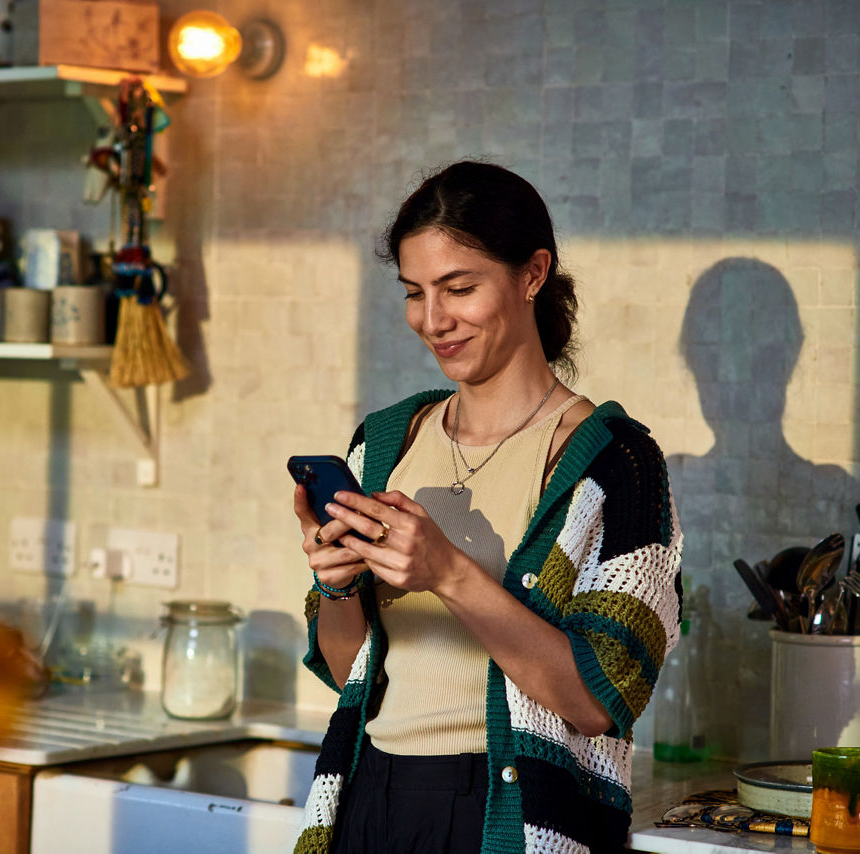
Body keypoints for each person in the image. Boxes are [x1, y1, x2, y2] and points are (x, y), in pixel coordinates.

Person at [290, 161, 684, 854]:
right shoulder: (383, 445)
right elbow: (347, 662)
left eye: (459, 288)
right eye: (415, 293)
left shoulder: (614, 464)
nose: (433, 320)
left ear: (533, 274)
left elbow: (601, 699)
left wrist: (448, 571)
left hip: (512, 814)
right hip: (370, 797)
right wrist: (337, 582)